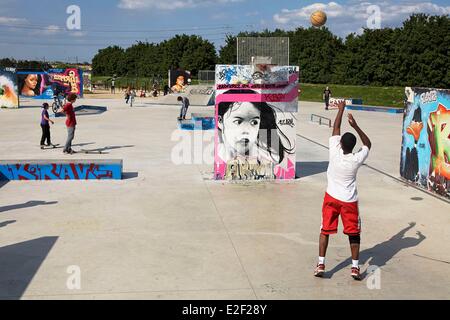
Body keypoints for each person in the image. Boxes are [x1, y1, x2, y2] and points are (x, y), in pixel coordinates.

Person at [314, 101, 372, 280]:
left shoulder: (334, 152)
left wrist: (341, 109)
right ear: (352, 147)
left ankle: (321, 264)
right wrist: (356, 126)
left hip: (331, 197)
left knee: (325, 230)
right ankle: (355, 268)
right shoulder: (356, 159)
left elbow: (336, 126)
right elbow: (368, 144)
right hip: (349, 201)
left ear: (340, 144)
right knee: (353, 234)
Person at [217, 100, 294, 164]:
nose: (246, 130)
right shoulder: (215, 154)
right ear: (220, 121)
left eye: (254, 122)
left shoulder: (267, 156)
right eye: (238, 122)